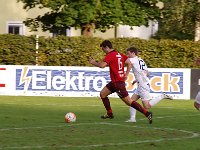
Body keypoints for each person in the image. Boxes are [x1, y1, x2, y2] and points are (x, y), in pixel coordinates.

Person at [89, 40, 153, 124]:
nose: (103, 51)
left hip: (117, 84)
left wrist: (93, 62)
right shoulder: (119, 54)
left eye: (103, 49)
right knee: (103, 94)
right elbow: (129, 63)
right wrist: (126, 74)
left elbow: (102, 65)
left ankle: (147, 113)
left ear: (107, 47)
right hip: (115, 82)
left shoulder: (110, 55)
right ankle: (109, 113)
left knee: (129, 102)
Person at [126, 46, 173, 122]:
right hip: (142, 83)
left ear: (133, 53)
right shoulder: (140, 60)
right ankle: (132, 119)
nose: (127, 55)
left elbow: (125, 61)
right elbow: (146, 73)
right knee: (131, 101)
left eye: (128, 54)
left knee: (146, 106)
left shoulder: (133, 59)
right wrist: (137, 79)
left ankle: (162, 96)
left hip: (143, 85)